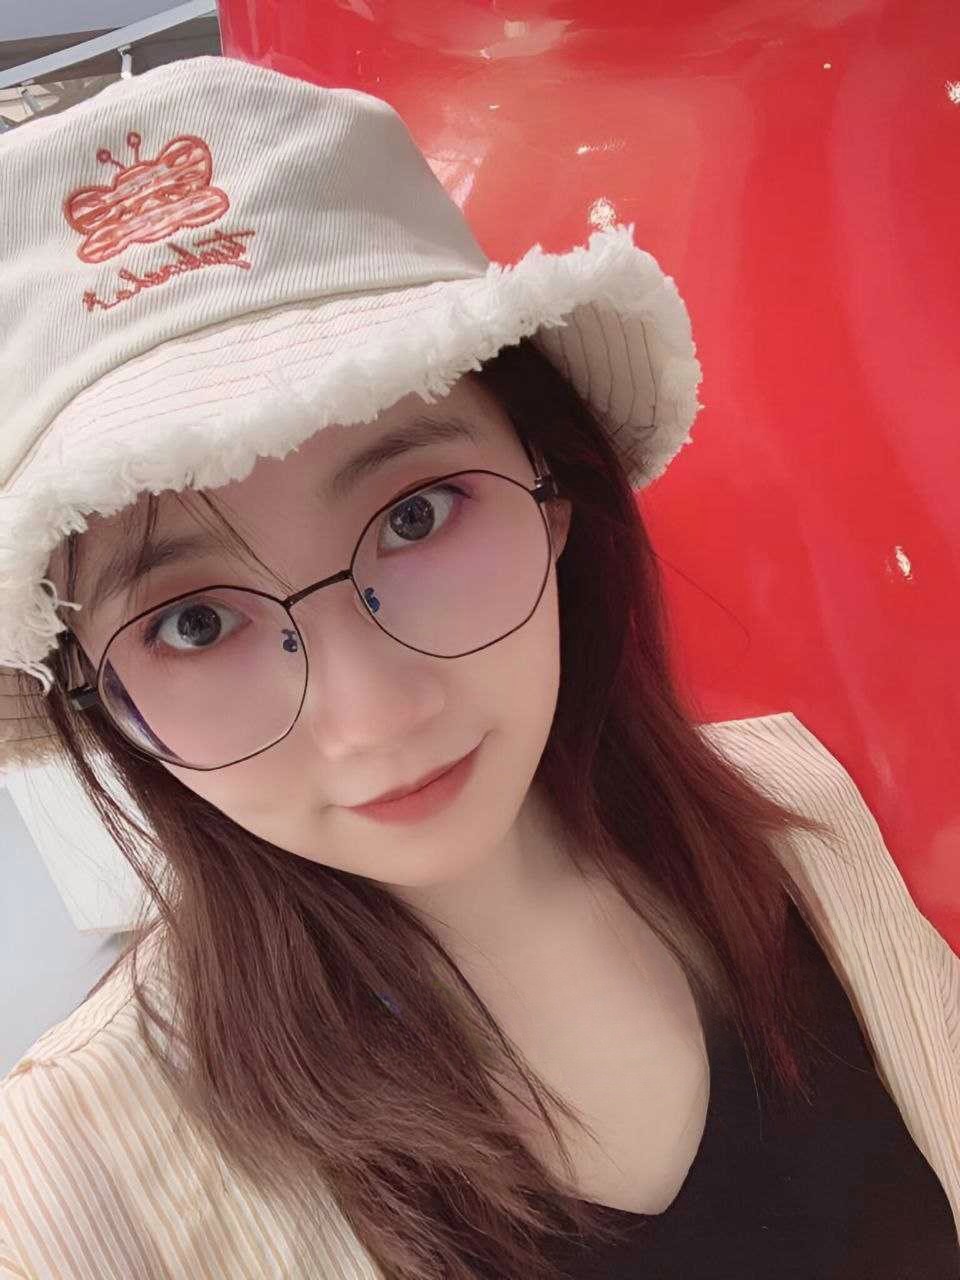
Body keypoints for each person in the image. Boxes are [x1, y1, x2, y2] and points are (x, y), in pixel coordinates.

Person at [0, 55, 957, 1280]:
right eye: (192, 622)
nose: (373, 713)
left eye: (416, 515)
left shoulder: (803, 824)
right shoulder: (74, 1189)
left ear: (555, 494)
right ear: (93, 682)